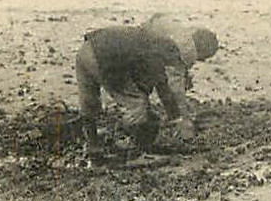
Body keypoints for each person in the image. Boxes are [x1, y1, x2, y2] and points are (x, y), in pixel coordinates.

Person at [76, 23, 217, 162]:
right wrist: (177, 119)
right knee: (137, 105)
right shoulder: (156, 57)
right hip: (105, 58)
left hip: (86, 50)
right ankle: (134, 154)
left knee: (89, 104)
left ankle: (93, 149)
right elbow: (164, 91)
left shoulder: (149, 40)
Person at [141, 12, 219, 140]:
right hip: (144, 55)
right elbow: (175, 87)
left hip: (142, 35)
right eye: (202, 58)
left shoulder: (181, 30)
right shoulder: (188, 50)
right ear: (202, 51)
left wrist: (184, 74)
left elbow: (158, 16)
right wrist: (184, 117)